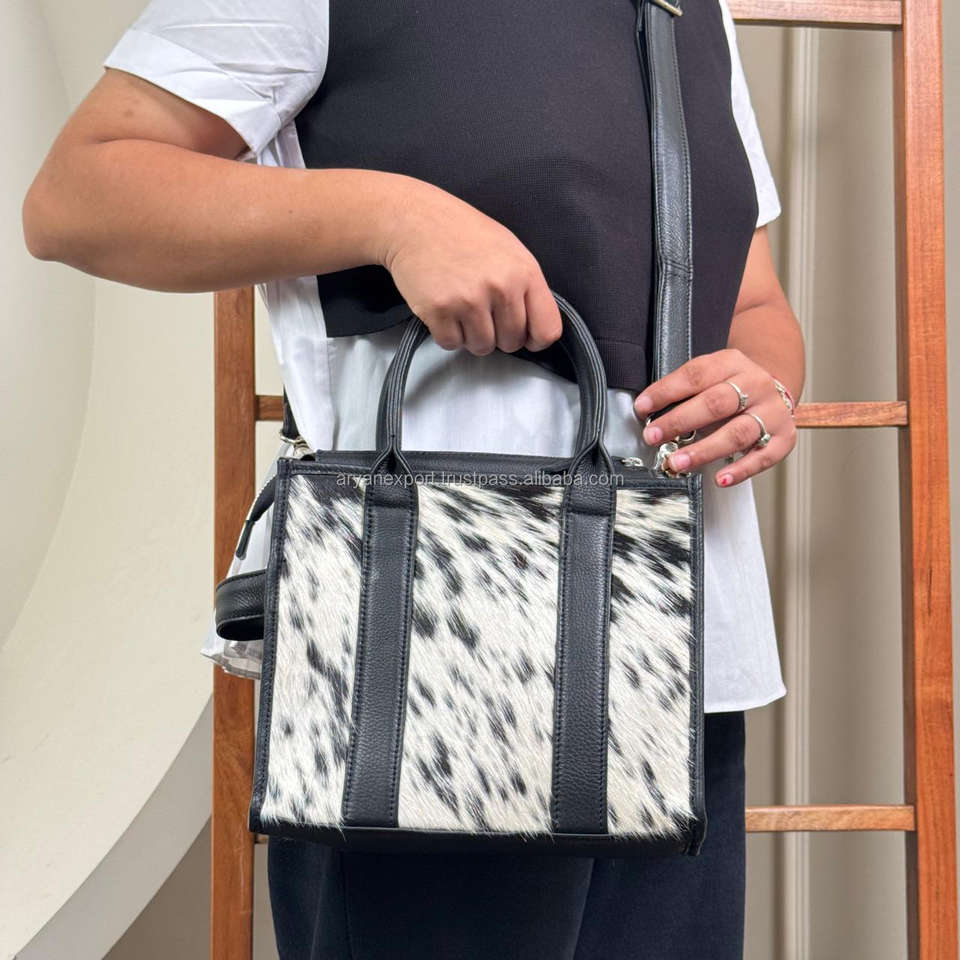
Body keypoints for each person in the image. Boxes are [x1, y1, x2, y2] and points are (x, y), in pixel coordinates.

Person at [22, 0, 805, 956]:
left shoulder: (686, 7)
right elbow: (78, 195)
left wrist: (765, 386)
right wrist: (394, 216)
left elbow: (750, 297)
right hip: (439, 658)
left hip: (679, 649)